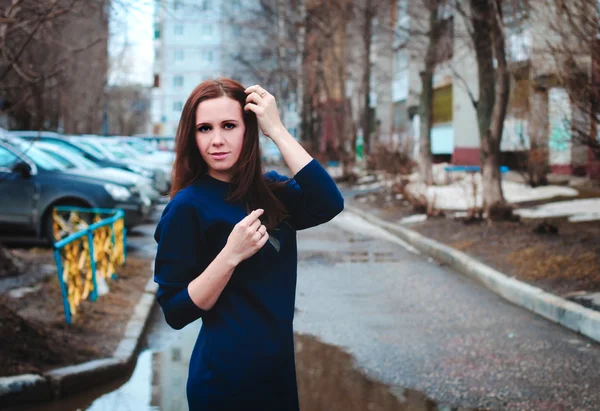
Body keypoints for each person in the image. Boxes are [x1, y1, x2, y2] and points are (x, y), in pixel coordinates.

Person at [153, 78, 344, 410]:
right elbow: (175, 310)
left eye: (229, 125)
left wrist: (278, 131)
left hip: (278, 377)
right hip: (223, 384)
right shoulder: (187, 207)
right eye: (204, 128)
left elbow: (329, 202)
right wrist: (230, 255)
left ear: (248, 129)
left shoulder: (272, 192)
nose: (217, 140)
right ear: (191, 136)